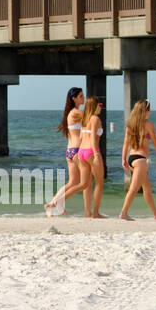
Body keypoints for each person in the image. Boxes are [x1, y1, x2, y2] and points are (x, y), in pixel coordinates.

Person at [49, 98, 106, 217]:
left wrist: (78, 153)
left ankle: (58, 201)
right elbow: (92, 138)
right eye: (100, 104)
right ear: (94, 106)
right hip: (91, 151)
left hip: (82, 152)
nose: (101, 106)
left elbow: (81, 136)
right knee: (99, 183)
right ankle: (95, 213)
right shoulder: (95, 119)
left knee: (83, 184)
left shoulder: (84, 120)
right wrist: (96, 154)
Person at [118, 99, 156, 219]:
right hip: (141, 160)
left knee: (147, 187)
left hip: (131, 158)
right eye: (149, 110)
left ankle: (155, 212)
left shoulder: (130, 125)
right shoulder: (148, 125)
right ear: (145, 111)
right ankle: (124, 212)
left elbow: (125, 144)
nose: (150, 112)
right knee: (134, 188)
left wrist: (123, 160)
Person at [45, 87, 89, 217]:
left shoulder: (71, 113)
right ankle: (56, 203)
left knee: (72, 183)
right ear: (74, 98)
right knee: (83, 183)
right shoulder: (76, 113)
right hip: (76, 151)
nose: (83, 98)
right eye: (81, 96)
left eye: (83, 95)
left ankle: (52, 205)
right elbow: (90, 117)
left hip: (70, 150)